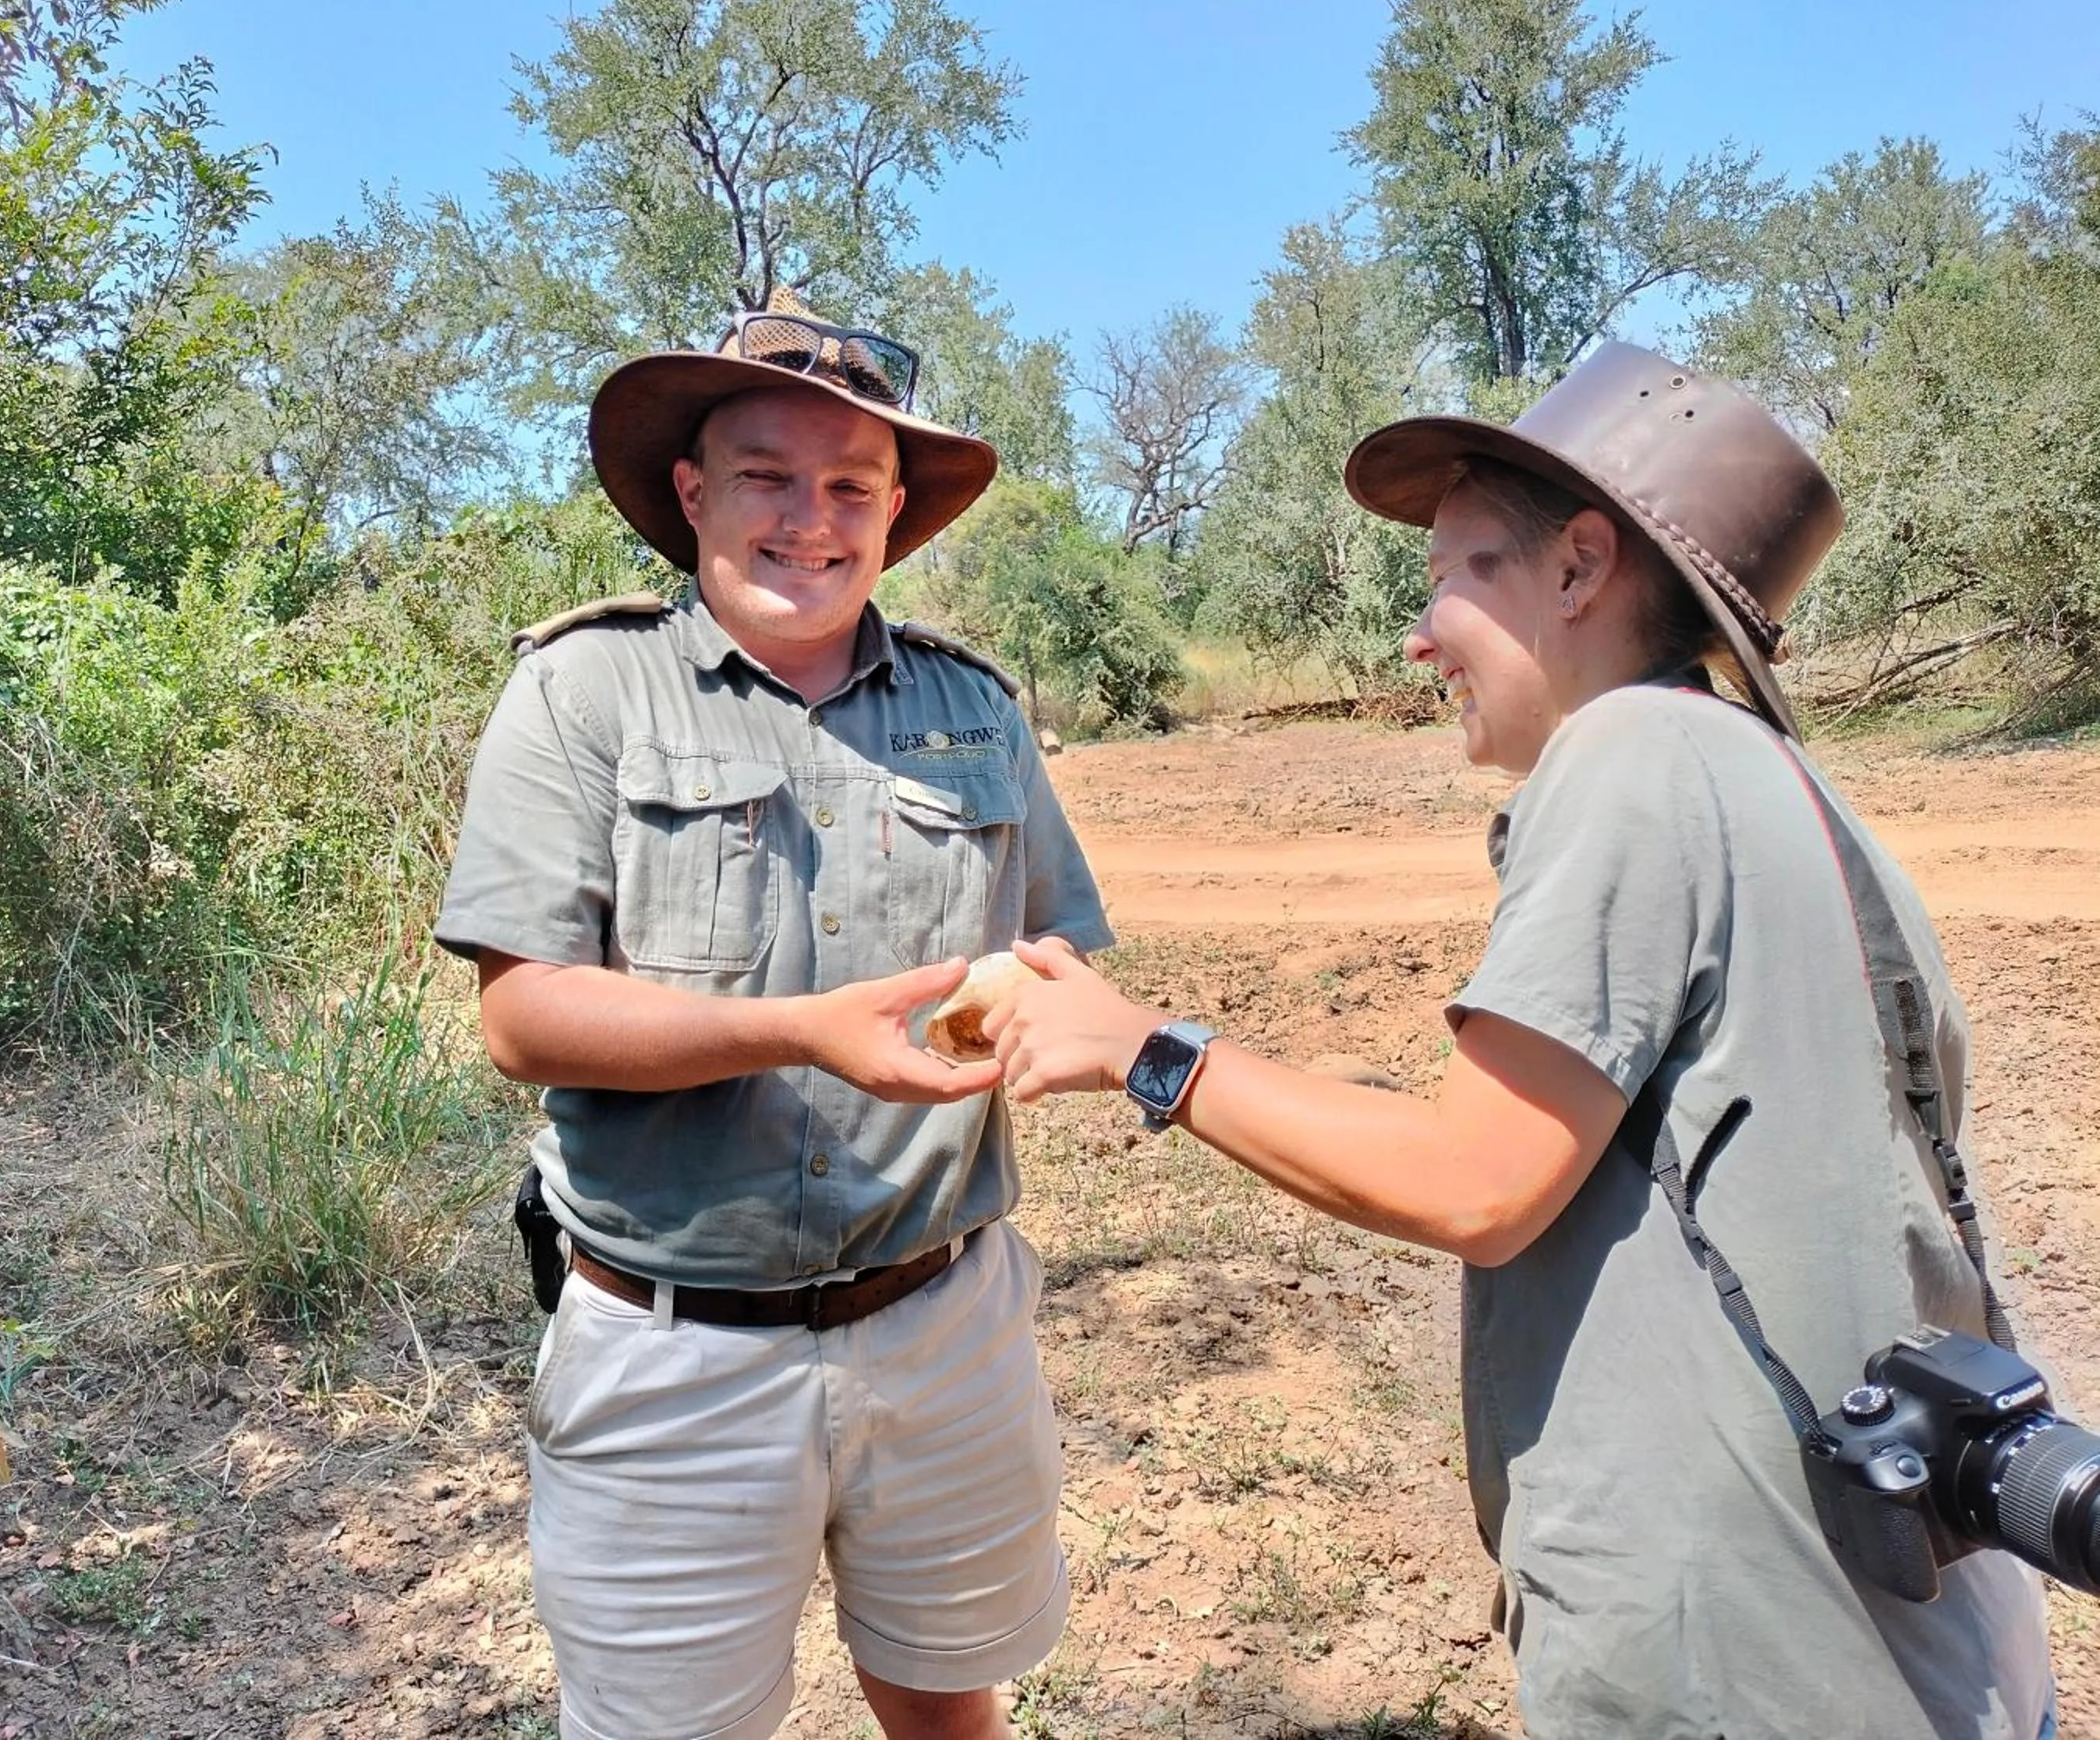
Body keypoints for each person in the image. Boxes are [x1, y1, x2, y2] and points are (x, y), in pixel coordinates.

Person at [983, 342, 2059, 1738]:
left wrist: (1146, 1051)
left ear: (1580, 568)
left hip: (1750, 1661)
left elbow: (1473, 1180)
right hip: (1924, 1655)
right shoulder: (1767, 778)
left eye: (1457, 570)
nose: (1421, 634)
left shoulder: (1632, 757)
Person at [433, 291, 1112, 1740]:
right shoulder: (581, 691)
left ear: (893, 510)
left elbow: (1063, 940)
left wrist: (1064, 1011)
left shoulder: (975, 706)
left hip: (946, 1325)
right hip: (671, 1354)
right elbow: (525, 1014)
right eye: (768, 477)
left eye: (853, 485)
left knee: (949, 1705)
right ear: (691, 494)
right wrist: (800, 1030)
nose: (813, 518)